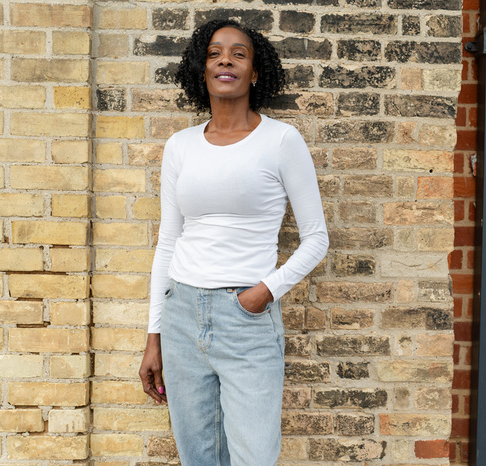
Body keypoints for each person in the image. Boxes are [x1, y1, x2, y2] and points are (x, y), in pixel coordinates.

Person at [138, 19, 329, 466]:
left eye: (239, 53)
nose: (226, 59)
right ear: (200, 69)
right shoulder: (180, 146)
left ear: (255, 72)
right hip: (182, 316)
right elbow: (169, 242)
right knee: (198, 457)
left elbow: (316, 239)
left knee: (253, 458)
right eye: (214, 53)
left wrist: (263, 293)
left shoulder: (280, 140)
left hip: (246, 318)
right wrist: (155, 334)